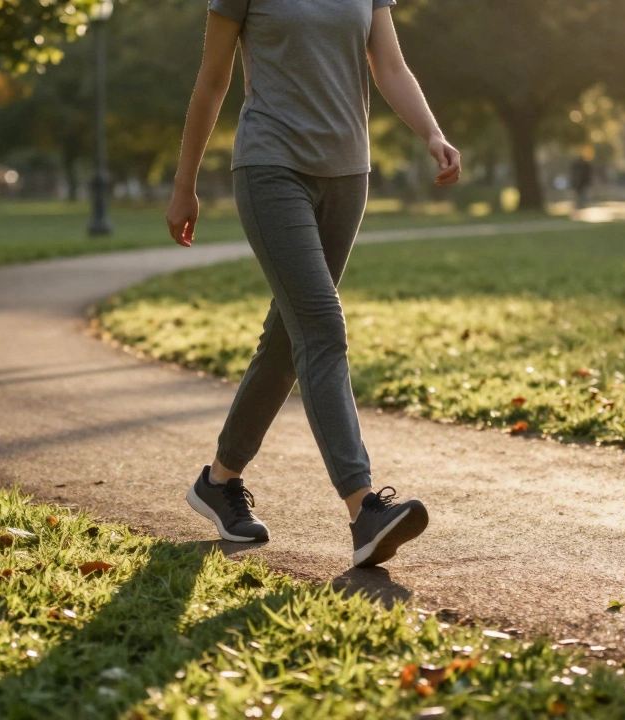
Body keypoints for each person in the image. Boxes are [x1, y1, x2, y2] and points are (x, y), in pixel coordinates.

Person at [165, 0, 461, 568]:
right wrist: (185, 185)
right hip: (271, 167)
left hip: (348, 175)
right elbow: (213, 79)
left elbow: (390, 66)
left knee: (288, 341)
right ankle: (364, 509)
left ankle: (218, 481)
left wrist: (431, 133)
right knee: (322, 327)